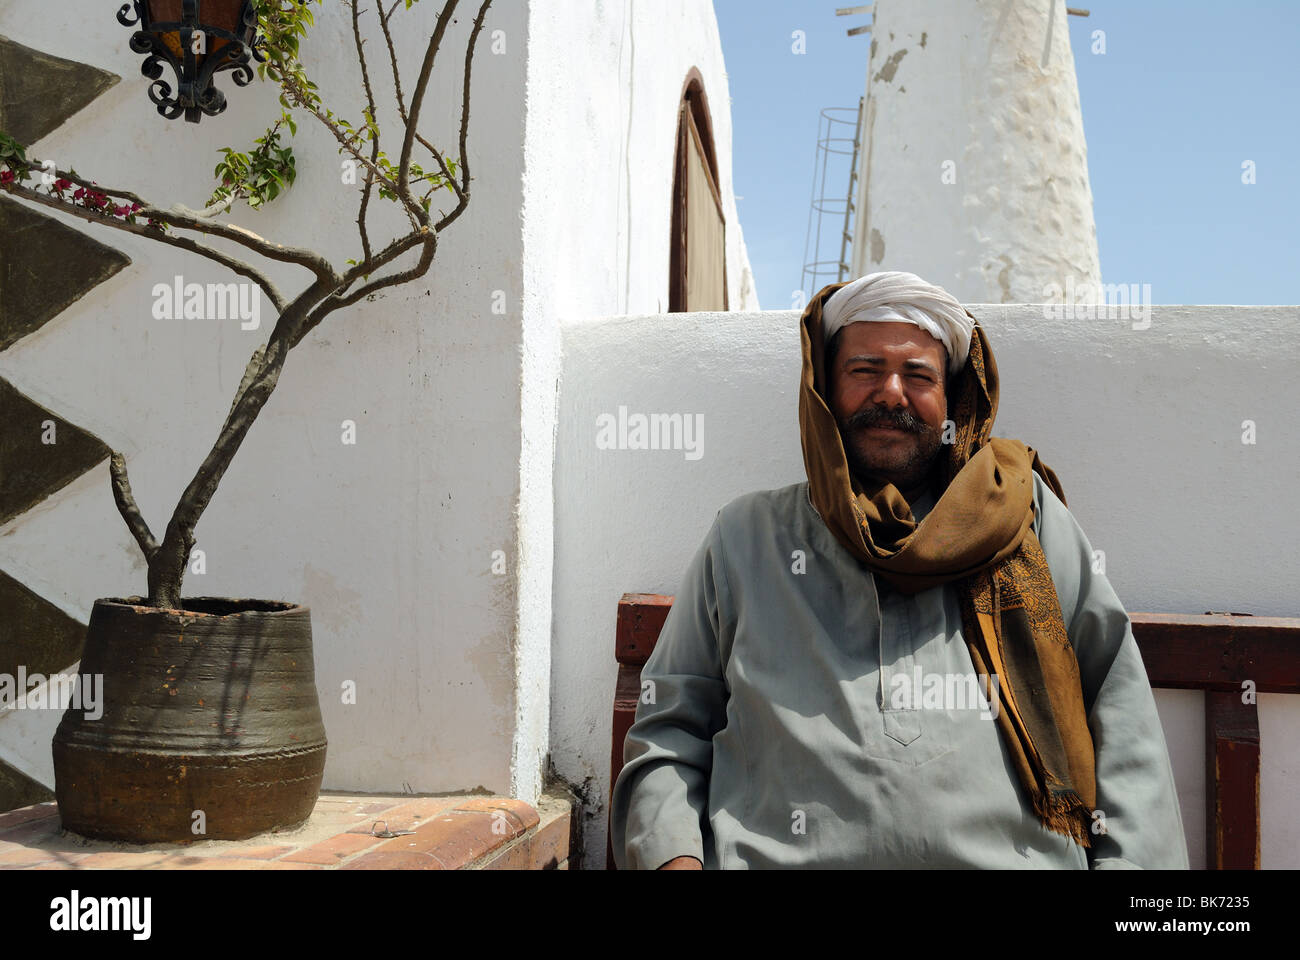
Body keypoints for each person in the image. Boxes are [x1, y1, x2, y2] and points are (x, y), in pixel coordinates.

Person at [609, 271, 1188, 869]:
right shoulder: (747, 537)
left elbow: (1121, 713)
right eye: (864, 371)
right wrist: (675, 860)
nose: (891, 392)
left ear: (952, 401)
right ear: (824, 391)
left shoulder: (1021, 520)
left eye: (919, 375)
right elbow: (668, 730)